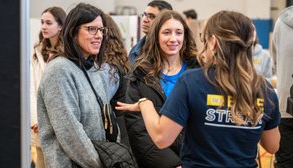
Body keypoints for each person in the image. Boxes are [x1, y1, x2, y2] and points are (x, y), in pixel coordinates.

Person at [117, 10, 281, 168]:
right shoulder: (264, 89)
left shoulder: (191, 81)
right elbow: (272, 146)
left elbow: (161, 138)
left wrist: (146, 105)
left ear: (213, 42)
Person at [37, 3, 120, 168]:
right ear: (73, 32)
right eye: (91, 29)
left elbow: (108, 118)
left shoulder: (95, 69)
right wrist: (101, 162)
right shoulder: (59, 70)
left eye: (102, 30)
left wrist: (114, 155)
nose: (99, 35)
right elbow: (69, 131)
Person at [124, 10, 199, 168]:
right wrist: (173, 165)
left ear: (185, 37)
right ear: (156, 36)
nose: (173, 38)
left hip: (195, 159)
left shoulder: (198, 71)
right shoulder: (139, 73)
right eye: (166, 32)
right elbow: (137, 129)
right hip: (158, 161)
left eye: (178, 32)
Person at [30, 6, 66, 168]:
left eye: (49, 23)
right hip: (38, 123)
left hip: (61, 123)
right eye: (42, 22)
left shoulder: (69, 54)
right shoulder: (36, 53)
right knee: (41, 164)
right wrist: (36, 119)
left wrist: (52, 121)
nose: (43, 26)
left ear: (60, 26)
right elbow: (31, 89)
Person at [103, 14, 131, 147]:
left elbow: (101, 100)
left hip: (116, 130)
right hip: (123, 126)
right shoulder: (119, 59)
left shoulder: (108, 66)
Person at [272, 5, 293, 168]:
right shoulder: (281, 22)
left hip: (285, 106)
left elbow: (276, 64)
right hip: (285, 109)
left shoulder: (281, 21)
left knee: (285, 162)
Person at [128, 0, 173, 64]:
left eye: (151, 16)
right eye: (144, 15)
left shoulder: (172, 50)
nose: (145, 20)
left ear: (165, 21)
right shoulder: (135, 51)